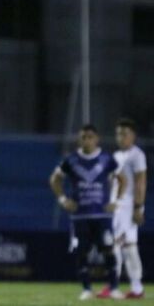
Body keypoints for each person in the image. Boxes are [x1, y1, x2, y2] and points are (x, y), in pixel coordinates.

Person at [49, 124, 127, 300]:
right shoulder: (71, 160)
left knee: (108, 249)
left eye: (90, 137)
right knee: (81, 252)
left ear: (97, 139)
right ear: (79, 139)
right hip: (80, 215)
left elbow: (123, 179)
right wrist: (63, 200)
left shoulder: (107, 159)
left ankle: (113, 287)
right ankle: (86, 289)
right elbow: (55, 179)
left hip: (102, 214)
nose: (87, 140)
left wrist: (118, 202)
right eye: (83, 137)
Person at [111, 118, 147, 299]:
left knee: (121, 245)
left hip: (130, 204)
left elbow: (141, 181)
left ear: (133, 136)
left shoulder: (137, 155)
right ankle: (135, 288)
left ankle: (117, 286)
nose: (120, 137)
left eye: (124, 134)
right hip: (118, 206)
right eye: (118, 133)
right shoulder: (117, 156)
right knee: (125, 246)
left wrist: (138, 207)